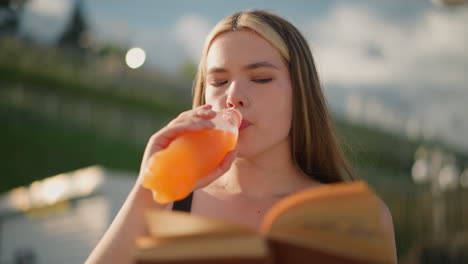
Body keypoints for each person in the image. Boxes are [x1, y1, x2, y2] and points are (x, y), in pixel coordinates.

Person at [86, 10, 397, 264]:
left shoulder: (358, 221)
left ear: (301, 92)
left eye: (260, 78)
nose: (233, 96)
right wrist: (147, 189)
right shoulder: (167, 205)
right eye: (219, 81)